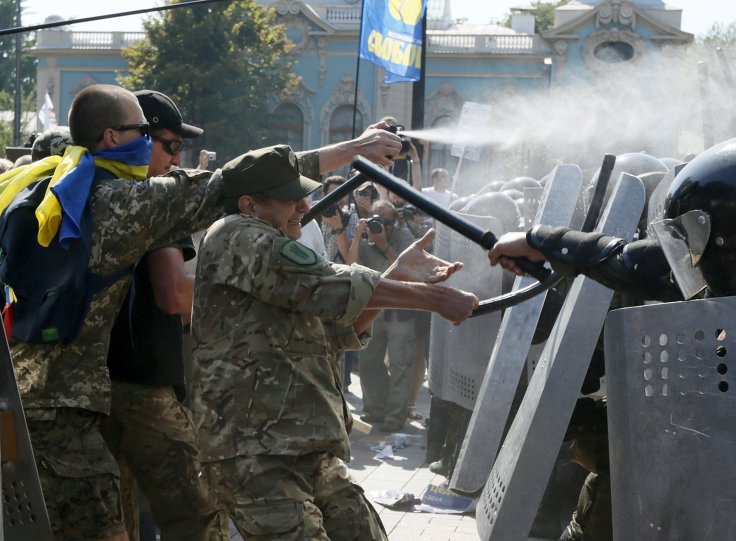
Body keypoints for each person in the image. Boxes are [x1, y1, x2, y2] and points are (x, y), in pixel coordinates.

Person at [5, 83, 402, 541]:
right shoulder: (114, 202)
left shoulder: (41, 190)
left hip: (31, 397)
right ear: (113, 138)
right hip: (60, 408)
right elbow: (233, 183)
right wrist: (353, 149)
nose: (166, 152)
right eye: (150, 135)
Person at [487, 134, 736, 540]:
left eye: (696, 242)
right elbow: (629, 260)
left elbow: (668, 453)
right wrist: (540, 241)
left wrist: (601, 428)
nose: (691, 260)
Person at [188, 145, 478, 540]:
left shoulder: (274, 253)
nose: (304, 206)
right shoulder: (236, 235)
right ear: (249, 203)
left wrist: (401, 274)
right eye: (291, 198)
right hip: (254, 453)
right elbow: (332, 282)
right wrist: (436, 300)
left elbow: (336, 332)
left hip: (305, 447)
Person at [101, 89, 227, 541]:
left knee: (121, 519)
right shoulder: (153, 203)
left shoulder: (97, 190)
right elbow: (173, 293)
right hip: (143, 385)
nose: (178, 158)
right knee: (199, 516)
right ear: (139, 138)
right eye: (170, 145)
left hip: (94, 387)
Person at [351, 199, 419, 433]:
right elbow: (351, 265)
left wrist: (384, 245)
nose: (382, 227)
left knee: (400, 363)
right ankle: (375, 408)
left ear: (395, 221)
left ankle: (395, 415)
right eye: (377, 221)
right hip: (372, 309)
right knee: (368, 361)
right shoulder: (366, 238)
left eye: (387, 222)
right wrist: (359, 236)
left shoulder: (404, 238)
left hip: (400, 311)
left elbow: (411, 271)